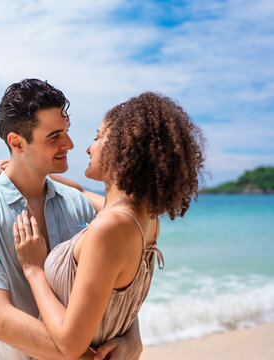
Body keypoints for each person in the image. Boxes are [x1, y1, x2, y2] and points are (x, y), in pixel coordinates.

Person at [0, 79, 143, 360]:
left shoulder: (78, 204)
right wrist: (86, 358)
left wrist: (131, 338)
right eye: (54, 137)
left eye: (66, 132)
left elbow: (113, 284)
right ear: (17, 143)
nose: (69, 144)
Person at [12, 92, 205, 359]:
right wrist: (18, 166)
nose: (88, 148)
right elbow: (79, 190)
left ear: (124, 146)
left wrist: (33, 269)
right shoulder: (144, 219)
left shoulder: (111, 229)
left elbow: (70, 345)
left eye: (97, 137)